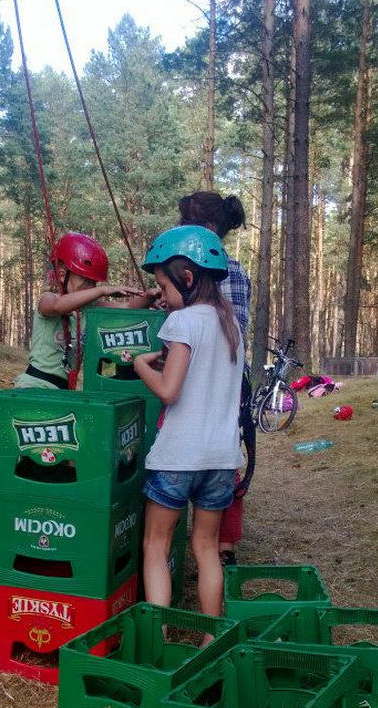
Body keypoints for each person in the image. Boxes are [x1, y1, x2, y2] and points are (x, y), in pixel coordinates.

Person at [133, 226, 244, 631]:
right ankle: (212, 638)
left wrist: (140, 364)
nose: (161, 295)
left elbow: (169, 390)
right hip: (221, 458)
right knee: (207, 548)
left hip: (179, 456)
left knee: (155, 544)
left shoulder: (181, 322)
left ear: (187, 277)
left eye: (164, 285)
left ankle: (158, 636)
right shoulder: (231, 325)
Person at [178, 191, 253, 567]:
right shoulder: (186, 272)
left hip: (218, 379)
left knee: (220, 455)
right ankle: (206, 541)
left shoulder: (226, 271)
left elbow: (229, 331)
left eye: (185, 225)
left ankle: (221, 546)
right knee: (206, 453)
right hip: (200, 376)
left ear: (207, 229)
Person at [14, 231, 149, 390]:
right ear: (62, 275)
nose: (91, 287)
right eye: (86, 280)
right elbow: (56, 306)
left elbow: (128, 307)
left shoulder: (89, 309)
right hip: (34, 383)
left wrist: (150, 297)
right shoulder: (48, 299)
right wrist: (102, 290)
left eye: (94, 283)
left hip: (63, 390)